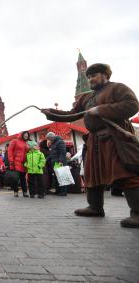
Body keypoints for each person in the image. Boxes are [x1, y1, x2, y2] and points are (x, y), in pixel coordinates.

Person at [42, 63, 139, 228]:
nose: (90, 79)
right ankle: (95, 207)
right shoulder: (86, 98)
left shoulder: (117, 88)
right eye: (88, 77)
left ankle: (137, 213)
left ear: (105, 75)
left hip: (114, 138)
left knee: (125, 172)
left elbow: (132, 105)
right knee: (92, 175)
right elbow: (73, 115)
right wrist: (51, 113)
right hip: (94, 140)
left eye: (94, 75)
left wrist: (101, 109)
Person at [8, 131, 30, 197]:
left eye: (27, 135)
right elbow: (10, 150)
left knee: (23, 178)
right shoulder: (15, 141)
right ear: (22, 135)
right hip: (16, 162)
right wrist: (11, 160)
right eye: (25, 134)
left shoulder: (26, 143)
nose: (26, 135)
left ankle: (25, 192)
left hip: (23, 163)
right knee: (15, 178)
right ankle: (15, 191)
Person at [45, 132, 68, 196]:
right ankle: (58, 191)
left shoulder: (60, 142)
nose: (48, 140)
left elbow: (63, 152)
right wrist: (46, 159)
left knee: (61, 177)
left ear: (51, 137)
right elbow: (52, 154)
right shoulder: (53, 144)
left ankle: (63, 192)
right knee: (57, 177)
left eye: (49, 139)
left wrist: (60, 161)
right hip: (55, 163)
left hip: (59, 162)